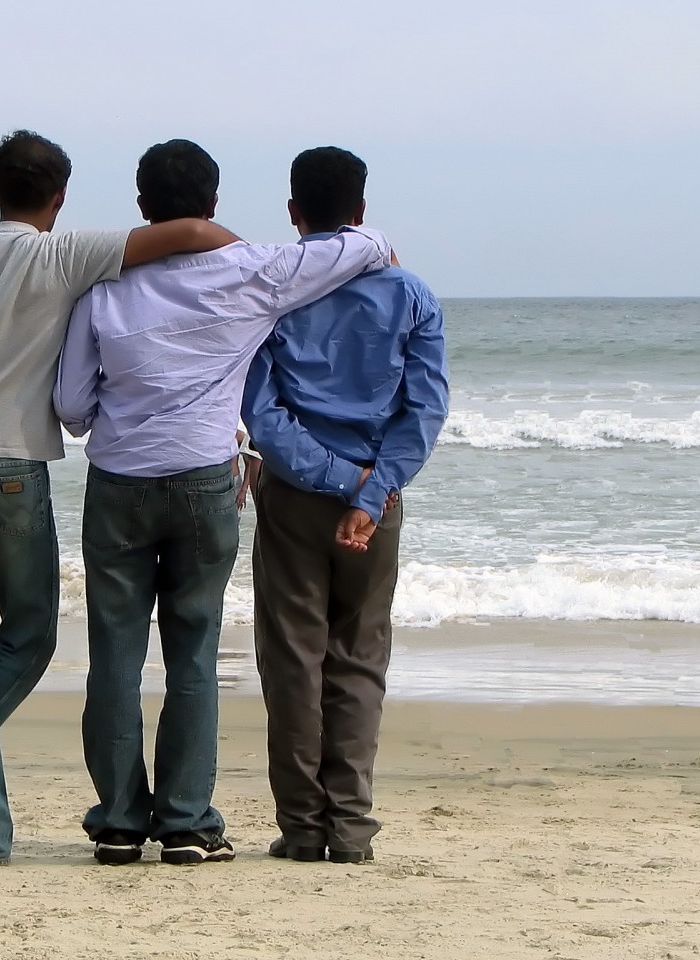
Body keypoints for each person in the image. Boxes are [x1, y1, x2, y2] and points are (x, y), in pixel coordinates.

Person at [0, 130, 241, 866]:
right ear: (59, 197)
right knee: (29, 635)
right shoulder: (65, 255)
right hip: (11, 473)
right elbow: (191, 232)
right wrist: (251, 256)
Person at [52, 139, 394, 866]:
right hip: (204, 481)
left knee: (114, 654)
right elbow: (355, 247)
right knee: (194, 654)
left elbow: (72, 407)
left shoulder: (103, 289)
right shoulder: (252, 271)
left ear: (142, 206)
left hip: (118, 483)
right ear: (212, 206)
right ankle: (185, 821)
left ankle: (119, 821)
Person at [241, 146, 448, 865]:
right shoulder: (412, 294)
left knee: (292, 658)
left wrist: (332, 478)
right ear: (360, 212)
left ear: (294, 212)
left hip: (295, 495)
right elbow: (424, 411)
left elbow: (262, 415)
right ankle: (352, 825)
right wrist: (370, 489)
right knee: (359, 657)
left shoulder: (276, 297)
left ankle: (303, 828)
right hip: (374, 499)